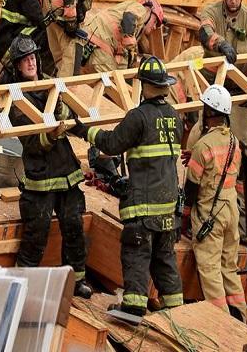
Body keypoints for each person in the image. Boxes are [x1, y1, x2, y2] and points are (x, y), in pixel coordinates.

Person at [69, 56, 183, 317]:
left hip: (144, 206)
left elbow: (111, 144)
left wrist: (85, 132)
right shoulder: (175, 118)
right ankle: (176, 310)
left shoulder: (139, 117)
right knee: (164, 259)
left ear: (144, 85)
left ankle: (133, 305)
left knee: (137, 254)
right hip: (168, 208)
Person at [0, 35, 91, 298]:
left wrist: (91, 135)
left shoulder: (52, 87)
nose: (30, 62)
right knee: (36, 232)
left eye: (32, 58)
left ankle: (75, 279)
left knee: (74, 226)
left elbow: (76, 118)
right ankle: (21, 283)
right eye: (24, 60)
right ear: (17, 67)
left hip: (66, 170)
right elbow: (32, 143)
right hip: (40, 176)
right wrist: (51, 134)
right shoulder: (15, 100)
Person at [182, 84, 246, 321]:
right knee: (229, 267)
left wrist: (185, 218)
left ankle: (221, 322)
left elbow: (192, 187)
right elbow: (223, 171)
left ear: (208, 112)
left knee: (209, 269)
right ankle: (239, 316)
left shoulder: (202, 145)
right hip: (231, 211)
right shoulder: (233, 141)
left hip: (210, 213)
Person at [198, 0, 247, 144]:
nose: (233, 1)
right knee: (205, 141)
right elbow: (204, 32)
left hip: (238, 92)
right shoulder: (211, 12)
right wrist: (221, 44)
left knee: (241, 142)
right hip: (212, 87)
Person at [80, 0, 164, 73]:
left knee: (117, 76)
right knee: (111, 82)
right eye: (155, 21)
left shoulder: (133, 24)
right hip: (99, 44)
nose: (154, 27)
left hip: (88, 41)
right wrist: (129, 39)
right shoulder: (140, 9)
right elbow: (129, 18)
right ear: (149, 10)